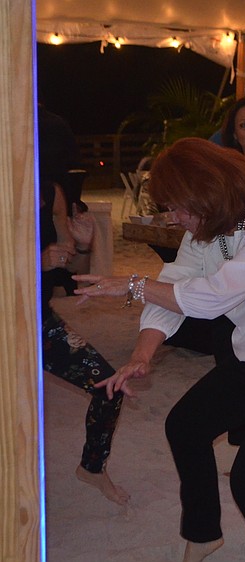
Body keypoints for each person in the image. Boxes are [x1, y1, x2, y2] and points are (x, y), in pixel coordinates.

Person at [75, 138, 245, 561]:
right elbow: (177, 286)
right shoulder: (207, 230)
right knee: (185, 426)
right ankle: (203, 534)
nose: (175, 218)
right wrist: (142, 356)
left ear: (211, 196)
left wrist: (130, 283)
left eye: (180, 208)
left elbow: (211, 297)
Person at [40, 179, 129, 505]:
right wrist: (36, 262)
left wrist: (82, 247)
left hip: (40, 321)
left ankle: (93, 467)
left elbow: (73, 270)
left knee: (110, 385)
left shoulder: (50, 190)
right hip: (9, 329)